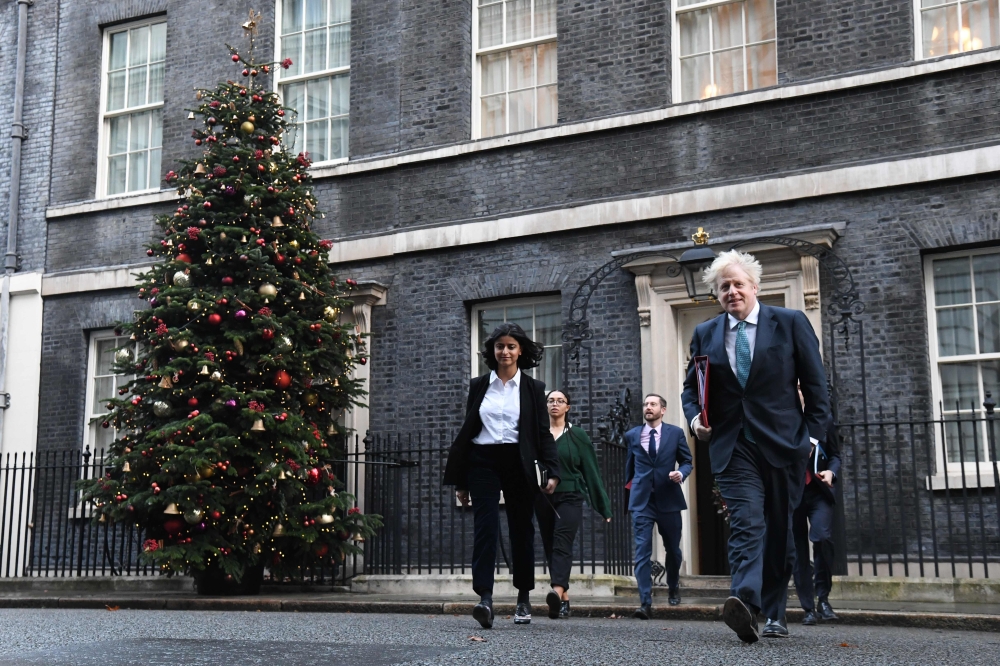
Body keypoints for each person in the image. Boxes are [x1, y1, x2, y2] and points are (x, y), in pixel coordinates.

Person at [681, 250, 831, 643]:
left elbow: (817, 387)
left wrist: (812, 439)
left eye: (738, 284)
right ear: (716, 294)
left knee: (779, 530)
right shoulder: (705, 334)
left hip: (783, 443)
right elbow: (690, 389)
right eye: (724, 287)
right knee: (748, 522)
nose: (732, 292)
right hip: (732, 445)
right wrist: (696, 419)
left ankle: (776, 611)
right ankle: (746, 602)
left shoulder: (790, 323)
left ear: (755, 287)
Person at [443, 322, 560, 629]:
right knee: (485, 528)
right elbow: (469, 430)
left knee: (521, 529)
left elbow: (542, 432)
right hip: (483, 460)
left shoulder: (533, 388)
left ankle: (523, 598)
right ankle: (485, 598)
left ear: (520, 350)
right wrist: (461, 480)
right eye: (499, 346)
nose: (504, 351)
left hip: (518, 461)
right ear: (492, 351)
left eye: (510, 346)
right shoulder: (479, 385)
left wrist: (552, 470)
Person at [535, 389, 612, 620]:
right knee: (550, 545)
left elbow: (591, 472)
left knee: (562, 542)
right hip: (544, 497)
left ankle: (556, 591)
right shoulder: (538, 434)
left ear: (568, 407)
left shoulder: (577, 435)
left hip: (570, 496)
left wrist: (603, 506)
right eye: (550, 401)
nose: (555, 404)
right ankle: (564, 599)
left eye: (560, 401)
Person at [624, 393, 693, 619]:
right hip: (642, 501)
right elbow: (629, 468)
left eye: (653, 404)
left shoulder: (676, 433)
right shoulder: (633, 435)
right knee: (642, 551)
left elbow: (687, 461)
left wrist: (680, 474)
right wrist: (629, 500)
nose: (648, 407)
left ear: (663, 410)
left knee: (673, 549)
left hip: (668, 499)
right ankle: (645, 601)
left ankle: (673, 585)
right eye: (646, 404)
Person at [793, 417, 841, 625]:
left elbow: (835, 455)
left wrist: (831, 472)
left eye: (802, 388)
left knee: (821, 537)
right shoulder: (782, 418)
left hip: (819, 491)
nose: (800, 392)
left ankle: (823, 599)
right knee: (798, 550)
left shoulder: (823, 421)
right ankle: (808, 608)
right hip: (793, 493)